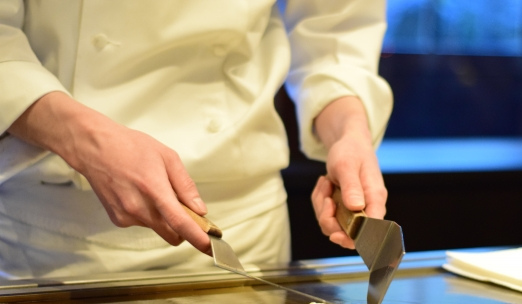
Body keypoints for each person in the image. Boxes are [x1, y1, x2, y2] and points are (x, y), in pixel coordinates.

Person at [0, 1, 393, 278]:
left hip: (245, 227)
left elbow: (335, 34)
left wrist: (350, 133)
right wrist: (85, 141)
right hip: (56, 235)